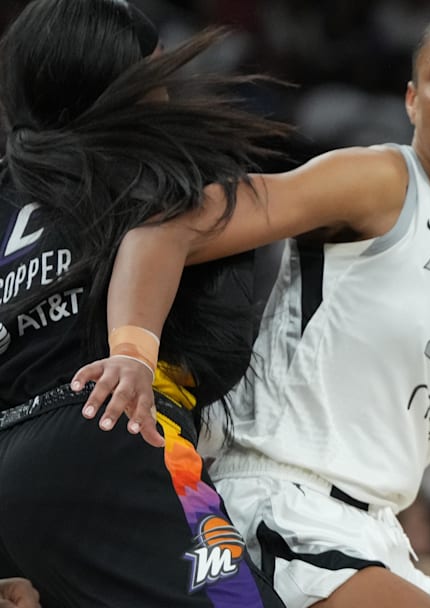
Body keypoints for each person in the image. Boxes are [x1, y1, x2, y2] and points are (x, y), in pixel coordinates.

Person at [72, 8, 430, 608]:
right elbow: (172, 226)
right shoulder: (379, 182)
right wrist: (132, 352)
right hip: (278, 503)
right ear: (412, 100)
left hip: (381, 537)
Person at [0, 0, 290, 606]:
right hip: (118, 427)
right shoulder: (160, 165)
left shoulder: (8, 190)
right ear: (115, 80)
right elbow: (219, 340)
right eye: (154, 71)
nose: (167, 89)